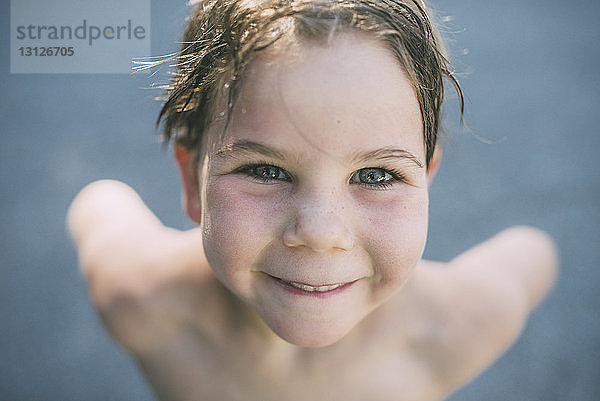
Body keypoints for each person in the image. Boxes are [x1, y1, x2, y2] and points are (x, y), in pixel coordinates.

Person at [67, 1, 559, 400]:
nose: (321, 232)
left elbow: (533, 251)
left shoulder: (461, 326)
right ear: (193, 182)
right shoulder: (139, 298)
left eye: (375, 174)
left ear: (425, 179)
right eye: (265, 170)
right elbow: (99, 205)